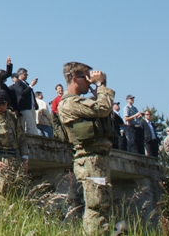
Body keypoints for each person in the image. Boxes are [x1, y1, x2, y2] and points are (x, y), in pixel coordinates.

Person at [58, 63, 115, 235]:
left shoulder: (81, 102)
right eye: (86, 78)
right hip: (89, 160)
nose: (90, 82)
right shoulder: (69, 103)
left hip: (97, 159)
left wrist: (98, 91)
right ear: (75, 79)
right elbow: (103, 108)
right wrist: (100, 85)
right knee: (96, 207)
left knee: (103, 206)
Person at [10, 68, 40, 136]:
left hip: (31, 106)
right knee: (30, 124)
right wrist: (31, 86)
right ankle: (34, 138)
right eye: (25, 74)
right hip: (24, 106)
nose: (26, 75)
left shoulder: (26, 83)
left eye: (27, 74)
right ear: (20, 74)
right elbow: (22, 93)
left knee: (32, 123)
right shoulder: (18, 83)